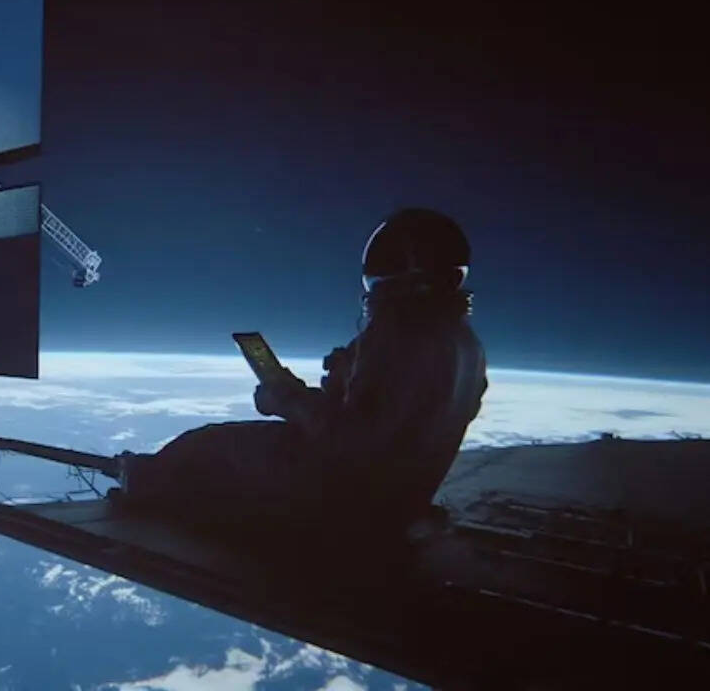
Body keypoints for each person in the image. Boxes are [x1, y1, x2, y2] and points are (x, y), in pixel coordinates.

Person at [115, 208, 488, 530]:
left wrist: (284, 398)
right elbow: (399, 426)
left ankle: (141, 481)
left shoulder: (400, 335)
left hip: (348, 506)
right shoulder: (465, 343)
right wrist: (342, 384)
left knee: (213, 443)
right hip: (401, 504)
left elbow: (353, 444)